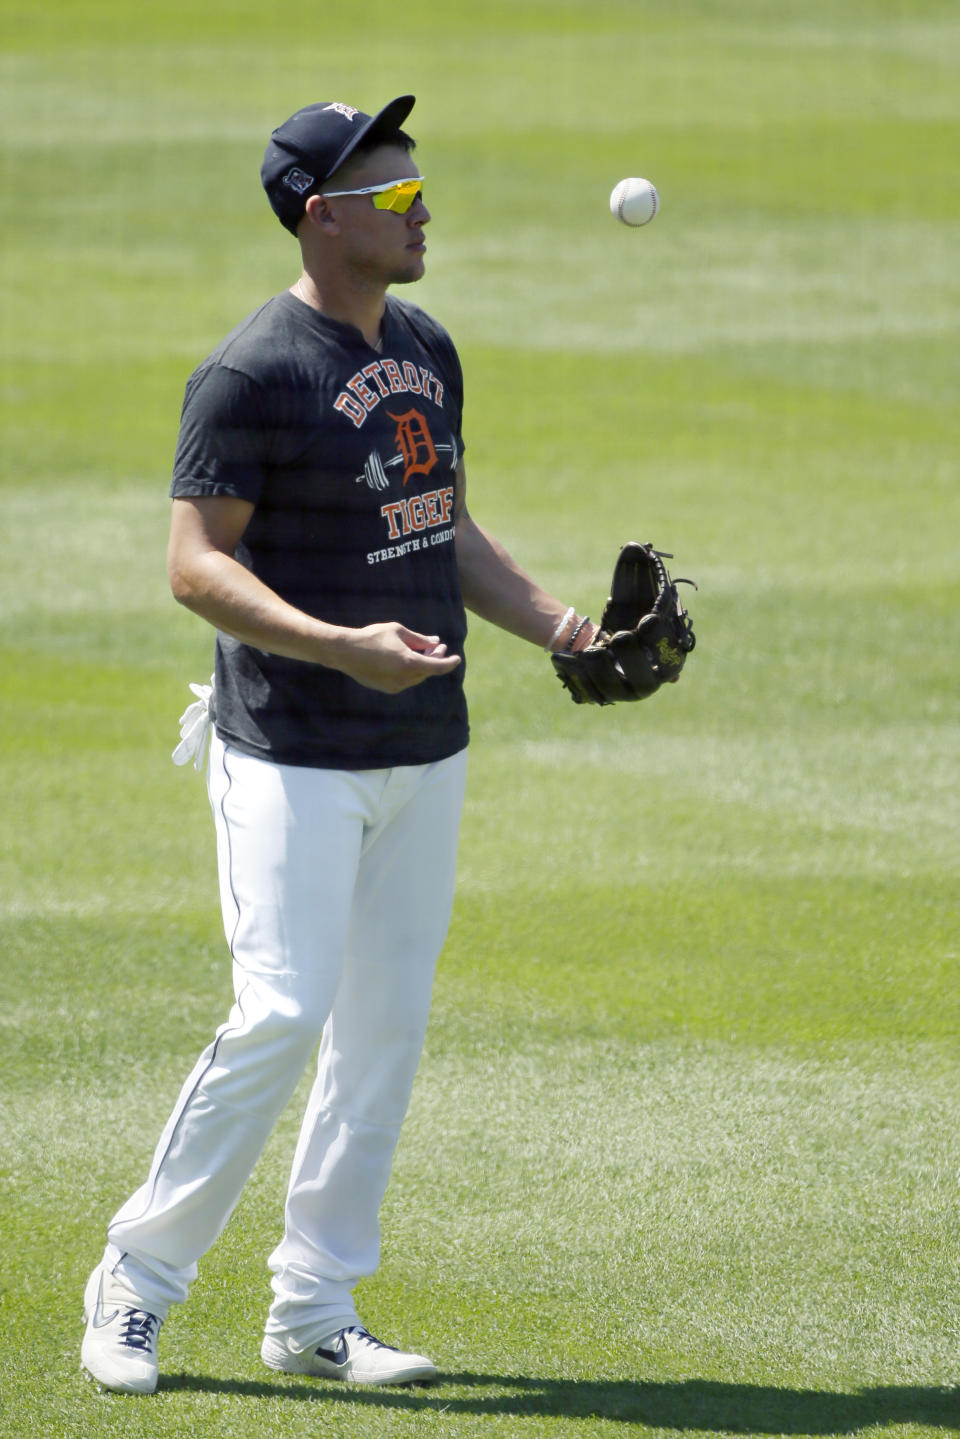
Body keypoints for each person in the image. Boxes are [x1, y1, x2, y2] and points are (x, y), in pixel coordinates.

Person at [81, 94, 598, 1396]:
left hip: (427, 743)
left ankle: (314, 1307)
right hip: (290, 750)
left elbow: (446, 525)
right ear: (322, 218)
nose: (421, 205)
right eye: (392, 190)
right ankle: (132, 1286)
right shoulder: (253, 372)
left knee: (381, 1034)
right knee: (281, 1014)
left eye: (419, 183)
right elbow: (195, 569)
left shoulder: (426, 345)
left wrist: (563, 629)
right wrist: (338, 645)